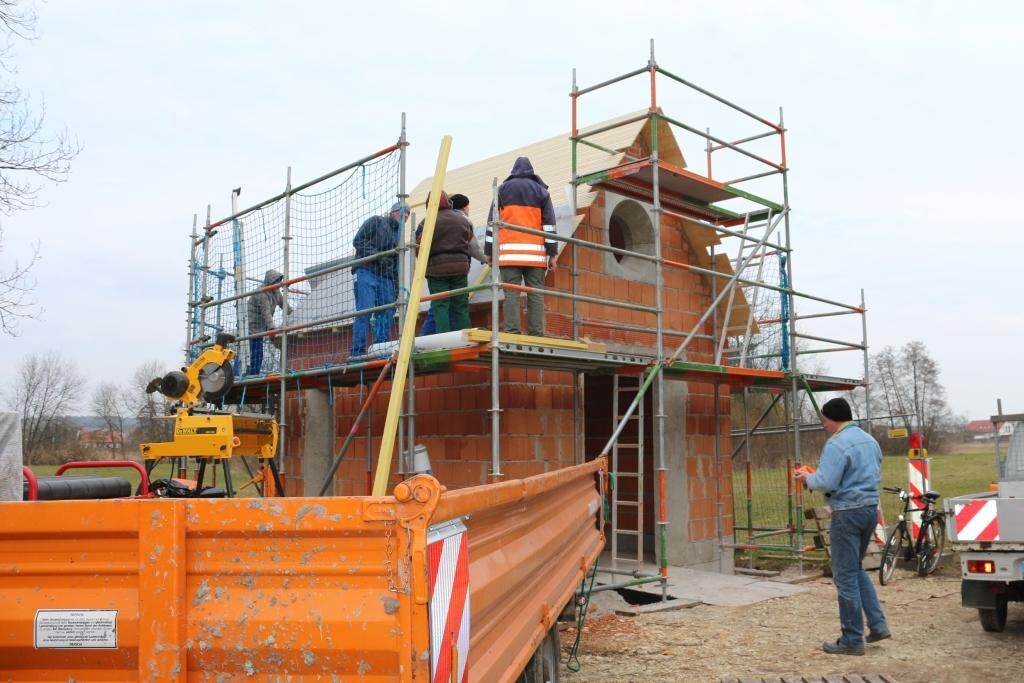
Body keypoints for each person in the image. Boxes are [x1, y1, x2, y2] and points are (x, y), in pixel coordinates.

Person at [794, 397, 891, 655]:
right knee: (855, 569)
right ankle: (878, 624)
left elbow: (827, 482)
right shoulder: (869, 440)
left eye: (824, 420)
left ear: (832, 419)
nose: (824, 425)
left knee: (844, 576)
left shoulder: (836, 443)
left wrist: (807, 478)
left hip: (847, 513)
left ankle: (851, 639)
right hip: (870, 510)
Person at [485, 156, 557, 337]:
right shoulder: (541, 192)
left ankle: (512, 332)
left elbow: (491, 224)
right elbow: (549, 225)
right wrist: (552, 254)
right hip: (535, 257)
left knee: (511, 294)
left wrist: (489, 252)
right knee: (535, 294)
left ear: (513, 171)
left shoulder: (501, 190)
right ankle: (536, 334)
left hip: (509, 255)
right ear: (531, 172)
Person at [420, 193, 485, 335]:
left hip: (436, 270)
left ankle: (444, 339)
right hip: (460, 269)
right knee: (461, 305)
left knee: (440, 306)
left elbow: (418, 247)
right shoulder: (462, 220)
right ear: (448, 202)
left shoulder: (427, 222)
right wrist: (486, 258)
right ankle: (466, 338)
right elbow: (472, 246)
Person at [350, 201, 407, 356]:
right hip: (367, 270)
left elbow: (396, 267)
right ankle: (357, 352)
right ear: (393, 212)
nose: (405, 216)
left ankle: (380, 349)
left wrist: (395, 289)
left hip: (386, 277)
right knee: (365, 310)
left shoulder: (398, 238)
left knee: (386, 312)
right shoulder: (376, 221)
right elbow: (358, 240)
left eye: (408, 215)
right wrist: (377, 255)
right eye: (403, 212)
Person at [246, 269, 289, 375]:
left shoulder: (276, 292)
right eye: (276, 282)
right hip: (251, 326)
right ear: (270, 282)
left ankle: (253, 374)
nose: (278, 284)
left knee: (257, 353)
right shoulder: (261, 293)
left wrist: (295, 314)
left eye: (279, 281)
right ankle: (244, 375)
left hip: (260, 328)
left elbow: (285, 305)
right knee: (250, 352)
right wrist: (271, 328)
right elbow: (266, 312)